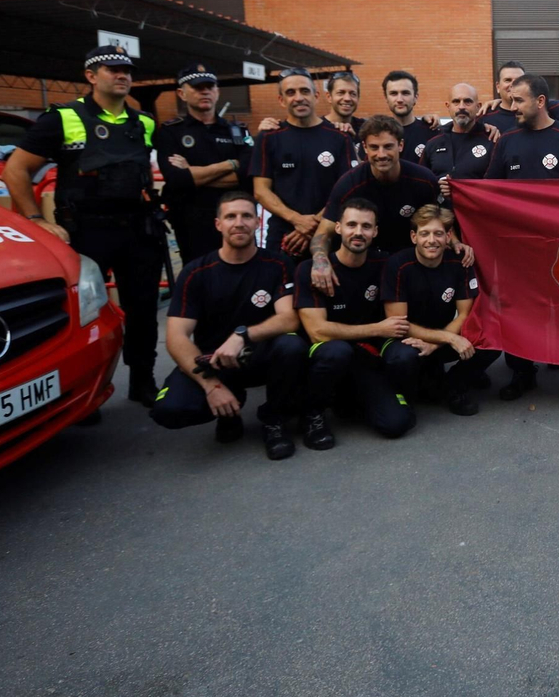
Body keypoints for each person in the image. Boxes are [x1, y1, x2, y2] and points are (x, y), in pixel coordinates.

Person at [3, 45, 163, 406]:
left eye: (127, 70)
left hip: (138, 231)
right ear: (91, 76)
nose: (122, 75)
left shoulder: (145, 122)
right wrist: (36, 219)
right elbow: (15, 170)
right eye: (112, 69)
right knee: (84, 315)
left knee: (143, 312)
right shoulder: (62, 118)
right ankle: (83, 392)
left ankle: (142, 381)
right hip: (87, 231)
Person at [150, 191, 315, 460]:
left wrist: (243, 335)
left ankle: (274, 420)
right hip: (214, 362)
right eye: (231, 217)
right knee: (170, 409)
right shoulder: (195, 272)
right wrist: (211, 385)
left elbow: (289, 318)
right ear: (218, 224)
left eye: (246, 216)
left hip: (259, 357)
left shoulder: (277, 264)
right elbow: (176, 338)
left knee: (292, 345)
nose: (239, 223)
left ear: (257, 222)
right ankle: (229, 406)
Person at [484, 73, 559, 399]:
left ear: (540, 101)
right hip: (519, 250)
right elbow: (490, 191)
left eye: (519, 100)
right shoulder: (506, 141)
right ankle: (522, 373)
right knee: (518, 310)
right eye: (511, 99)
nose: (512, 106)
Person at [295, 199, 414, 440]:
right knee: (336, 351)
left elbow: (425, 251)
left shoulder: (386, 264)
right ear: (337, 228)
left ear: (375, 231)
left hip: (365, 359)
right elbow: (317, 331)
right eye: (351, 225)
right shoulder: (312, 269)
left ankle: (356, 399)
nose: (358, 232)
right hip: (328, 357)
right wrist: (377, 328)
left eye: (366, 226)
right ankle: (312, 413)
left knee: (396, 424)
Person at [381, 206, 501, 418]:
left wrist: (436, 343)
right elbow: (398, 324)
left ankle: (454, 385)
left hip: (440, 336)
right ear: (413, 236)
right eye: (425, 233)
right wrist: (448, 338)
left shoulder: (460, 261)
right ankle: (406, 393)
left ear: (448, 237)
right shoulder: (397, 265)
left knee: (491, 338)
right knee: (402, 358)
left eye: (438, 233)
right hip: (406, 338)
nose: (431, 240)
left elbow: (465, 315)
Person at [310, 116, 442, 289]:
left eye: (388, 146)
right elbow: (323, 234)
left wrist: (454, 242)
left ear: (400, 146)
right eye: (374, 147)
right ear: (364, 148)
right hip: (365, 265)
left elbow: (440, 222)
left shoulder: (424, 180)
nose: (381, 154)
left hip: (409, 265)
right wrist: (321, 262)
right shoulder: (349, 184)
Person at [249, 67, 357, 260]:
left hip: (330, 235)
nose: (299, 98)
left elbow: (347, 190)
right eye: (291, 92)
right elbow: (261, 191)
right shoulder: (268, 137)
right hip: (285, 239)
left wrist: (314, 224)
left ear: (316, 96)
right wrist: (297, 220)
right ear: (281, 100)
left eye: (305, 91)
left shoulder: (340, 137)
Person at [154, 63, 254, 265]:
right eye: (197, 88)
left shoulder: (236, 131)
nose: (205, 92)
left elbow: (246, 176)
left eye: (210, 87)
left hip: (234, 222)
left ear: (217, 92)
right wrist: (230, 164)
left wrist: (194, 174)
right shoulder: (171, 132)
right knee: (198, 278)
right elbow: (178, 180)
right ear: (181, 93)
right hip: (191, 222)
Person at [423, 82, 497, 204]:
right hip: (442, 218)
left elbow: (498, 186)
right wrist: (439, 186)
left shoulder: (492, 140)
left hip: (477, 217)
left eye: (468, 101)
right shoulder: (433, 142)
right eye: (456, 102)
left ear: (478, 106)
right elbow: (423, 182)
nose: (461, 107)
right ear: (448, 106)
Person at [382, 69, 434, 162]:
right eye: (393, 93)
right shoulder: (376, 133)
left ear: (415, 97)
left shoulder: (432, 132)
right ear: (386, 98)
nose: (399, 99)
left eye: (405, 93)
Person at [480, 60, 526, 134]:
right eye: (508, 80)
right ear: (498, 87)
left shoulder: (537, 114)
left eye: (518, 80)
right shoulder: (484, 118)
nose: (513, 84)